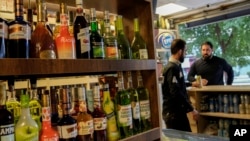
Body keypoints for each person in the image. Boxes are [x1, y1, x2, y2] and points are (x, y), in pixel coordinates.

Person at [162, 39, 198, 132]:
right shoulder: (172, 68)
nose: (185, 54)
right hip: (173, 115)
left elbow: (178, 85)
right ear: (180, 51)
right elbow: (176, 92)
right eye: (185, 51)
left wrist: (191, 84)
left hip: (177, 113)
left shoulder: (176, 66)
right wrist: (191, 109)